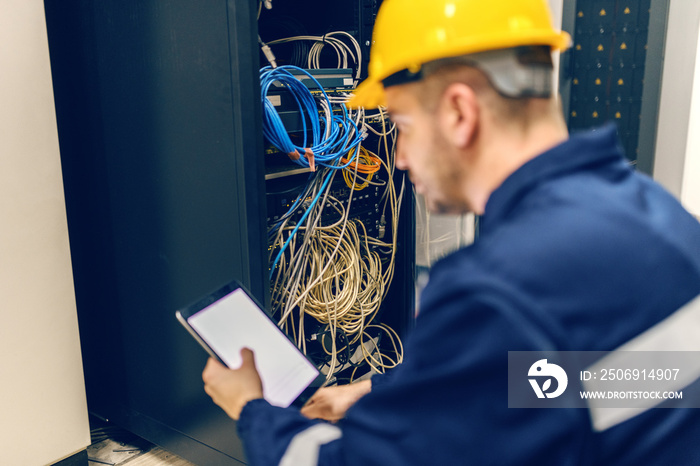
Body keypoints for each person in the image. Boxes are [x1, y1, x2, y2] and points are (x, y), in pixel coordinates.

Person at [202, 0, 700, 464]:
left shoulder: (495, 287)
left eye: (401, 124)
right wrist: (387, 388)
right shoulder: (656, 214)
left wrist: (252, 409)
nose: (395, 155)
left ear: (460, 113)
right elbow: (610, 382)